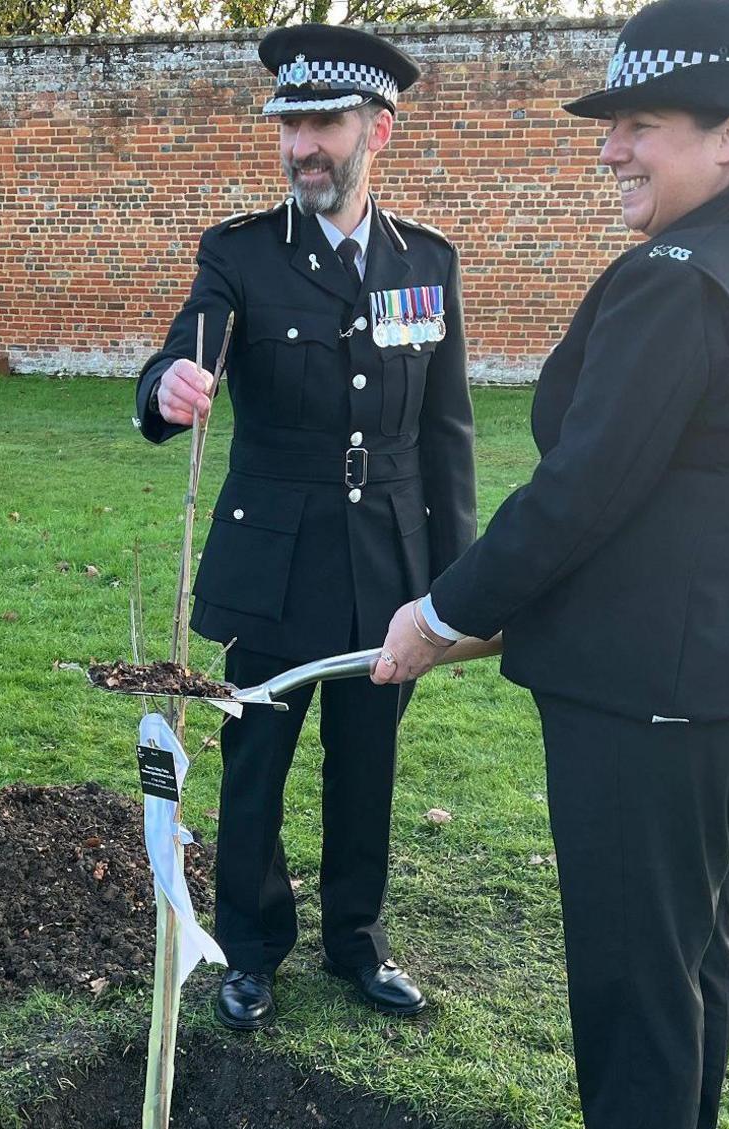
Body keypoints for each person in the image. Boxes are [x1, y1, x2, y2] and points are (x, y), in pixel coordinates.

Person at [369, 0, 729, 1129]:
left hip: (654, 696)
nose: (608, 149)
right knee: (690, 958)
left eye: (638, 123)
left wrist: (442, 614)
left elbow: (579, 487)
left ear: (728, 133)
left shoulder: (675, 278)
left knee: (636, 988)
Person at [134, 23, 477, 1032]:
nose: (301, 148)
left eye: (323, 124)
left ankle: (356, 945)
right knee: (254, 772)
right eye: (288, 126)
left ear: (378, 129)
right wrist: (172, 387)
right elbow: (174, 359)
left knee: (366, 766)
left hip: (389, 566)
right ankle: (250, 949)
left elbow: (447, 430)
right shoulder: (239, 254)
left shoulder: (427, 262)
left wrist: (456, 588)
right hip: (272, 565)